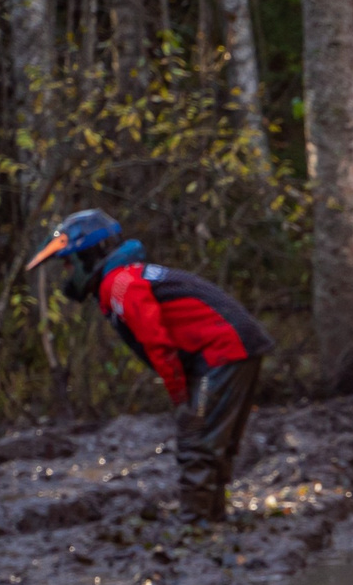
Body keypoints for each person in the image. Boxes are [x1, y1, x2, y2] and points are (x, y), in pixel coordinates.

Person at [26, 209, 276, 522]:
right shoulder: (127, 277)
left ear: (87, 256)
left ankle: (198, 523)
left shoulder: (120, 284)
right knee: (211, 439)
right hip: (229, 349)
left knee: (196, 436)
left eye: (68, 263)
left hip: (221, 352)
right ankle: (212, 517)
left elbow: (156, 342)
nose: (67, 272)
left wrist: (179, 395)